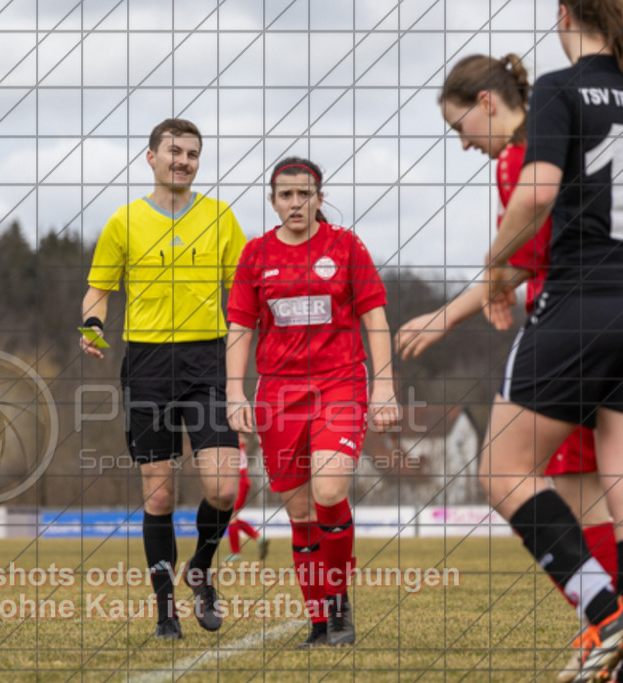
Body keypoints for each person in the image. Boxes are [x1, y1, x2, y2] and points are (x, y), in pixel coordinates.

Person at [395, 53, 620, 681]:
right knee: (583, 494)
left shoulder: (524, 159)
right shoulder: (564, 139)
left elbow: (524, 261)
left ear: (487, 102)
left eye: (459, 128)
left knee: (503, 470)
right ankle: (614, 644)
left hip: (570, 330)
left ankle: (610, 620)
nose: (464, 145)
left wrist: (447, 315)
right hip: (621, 320)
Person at [481, 2, 623, 681]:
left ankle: (605, 610)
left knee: (503, 471)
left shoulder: (563, 89)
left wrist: (493, 267)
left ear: (566, 12)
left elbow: (537, 192)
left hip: (586, 299)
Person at [80, 118, 246, 640]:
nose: (184, 161)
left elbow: (244, 292)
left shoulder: (220, 217)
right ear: (150, 157)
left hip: (208, 364)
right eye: (175, 151)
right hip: (148, 366)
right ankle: (164, 610)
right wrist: (92, 324)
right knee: (159, 499)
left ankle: (200, 567)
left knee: (223, 487)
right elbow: (98, 290)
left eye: (193, 154)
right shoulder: (123, 222)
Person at [226, 157, 399, 648]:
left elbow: (375, 318)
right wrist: (235, 392)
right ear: (273, 201)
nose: (296, 204)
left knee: (327, 490)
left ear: (319, 198)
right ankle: (320, 623)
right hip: (278, 394)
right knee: (300, 512)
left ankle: (340, 606)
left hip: (339, 383)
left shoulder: (346, 246)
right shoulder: (256, 255)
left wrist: (383, 385)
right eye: (286, 195)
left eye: (305, 194)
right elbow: (240, 328)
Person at [225, 439, 269, 563]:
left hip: (239, 483)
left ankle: (236, 553)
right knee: (233, 517)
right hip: (242, 482)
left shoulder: (231, 446)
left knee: (231, 518)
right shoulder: (239, 444)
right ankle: (259, 538)